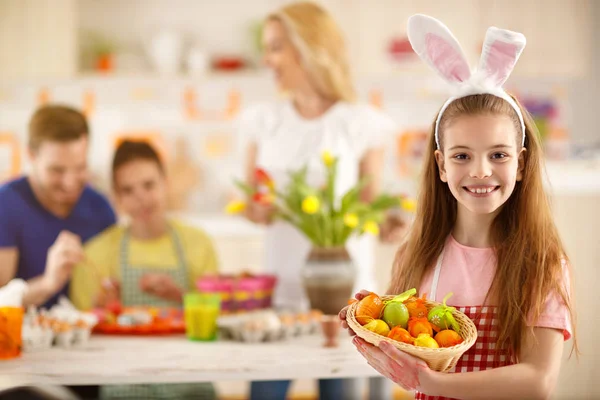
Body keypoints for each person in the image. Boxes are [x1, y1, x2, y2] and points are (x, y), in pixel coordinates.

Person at [339, 15, 577, 400]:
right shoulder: (417, 255)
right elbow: (409, 356)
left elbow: (538, 382)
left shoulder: (542, 262)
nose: (480, 171)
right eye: (462, 155)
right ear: (441, 165)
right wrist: (374, 321)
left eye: (497, 154)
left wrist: (432, 383)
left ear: (520, 164)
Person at [237, 2, 404, 399]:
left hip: (345, 303)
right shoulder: (263, 121)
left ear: (307, 47)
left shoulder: (359, 123)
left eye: (276, 47)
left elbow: (371, 205)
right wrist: (256, 208)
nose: (267, 59)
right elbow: (248, 199)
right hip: (281, 299)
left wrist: (391, 221)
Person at [71, 140, 219, 400]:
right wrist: (101, 313)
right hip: (124, 379)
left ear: (166, 183)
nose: (141, 198)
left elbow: (218, 322)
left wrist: (183, 298)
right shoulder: (96, 253)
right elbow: (79, 335)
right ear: (116, 198)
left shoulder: (198, 244)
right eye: (128, 190)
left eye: (149, 185)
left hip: (189, 376)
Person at [0, 104, 116, 309]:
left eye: (80, 167)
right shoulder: (6, 206)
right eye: (57, 170)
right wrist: (48, 283)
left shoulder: (100, 209)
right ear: (32, 156)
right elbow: (1, 300)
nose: (70, 183)